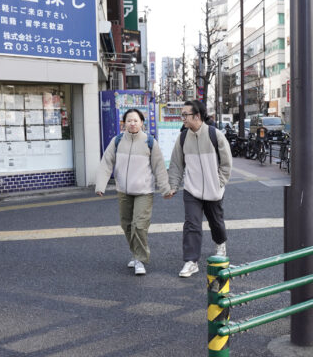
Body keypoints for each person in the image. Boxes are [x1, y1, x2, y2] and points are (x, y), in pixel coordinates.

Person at [95, 109, 170, 276]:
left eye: (136, 120)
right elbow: (106, 163)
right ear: (124, 123)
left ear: (142, 123)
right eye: (129, 120)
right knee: (127, 225)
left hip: (144, 191)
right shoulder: (117, 141)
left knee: (139, 226)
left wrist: (165, 189)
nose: (132, 123)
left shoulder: (149, 142)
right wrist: (100, 185)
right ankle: (136, 254)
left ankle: (140, 259)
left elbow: (159, 167)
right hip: (123, 190)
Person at [165, 100, 233, 278]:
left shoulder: (215, 135)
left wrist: (219, 182)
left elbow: (226, 163)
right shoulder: (182, 138)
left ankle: (220, 244)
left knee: (216, 222)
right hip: (192, 190)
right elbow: (176, 164)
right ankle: (191, 261)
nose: (182, 118)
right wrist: (173, 186)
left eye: (185, 115)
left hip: (213, 189)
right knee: (191, 224)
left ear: (197, 116)